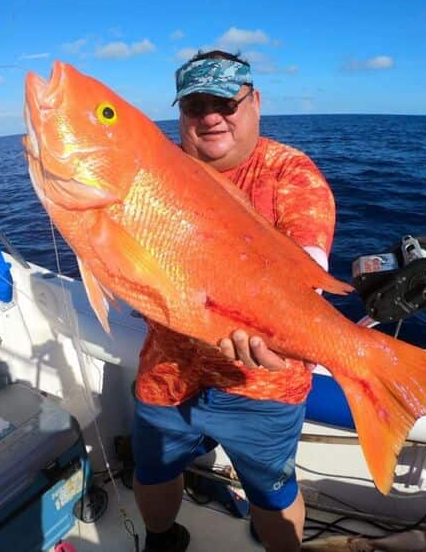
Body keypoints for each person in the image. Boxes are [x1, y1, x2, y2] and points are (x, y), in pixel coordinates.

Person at [132, 51, 338, 552]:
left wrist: (277, 321)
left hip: (261, 382)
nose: (210, 117)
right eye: (196, 104)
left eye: (225, 102)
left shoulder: (289, 172)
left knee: (272, 494)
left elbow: (306, 260)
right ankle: (163, 540)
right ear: (180, 114)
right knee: (153, 470)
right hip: (168, 372)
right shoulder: (154, 170)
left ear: (255, 102)